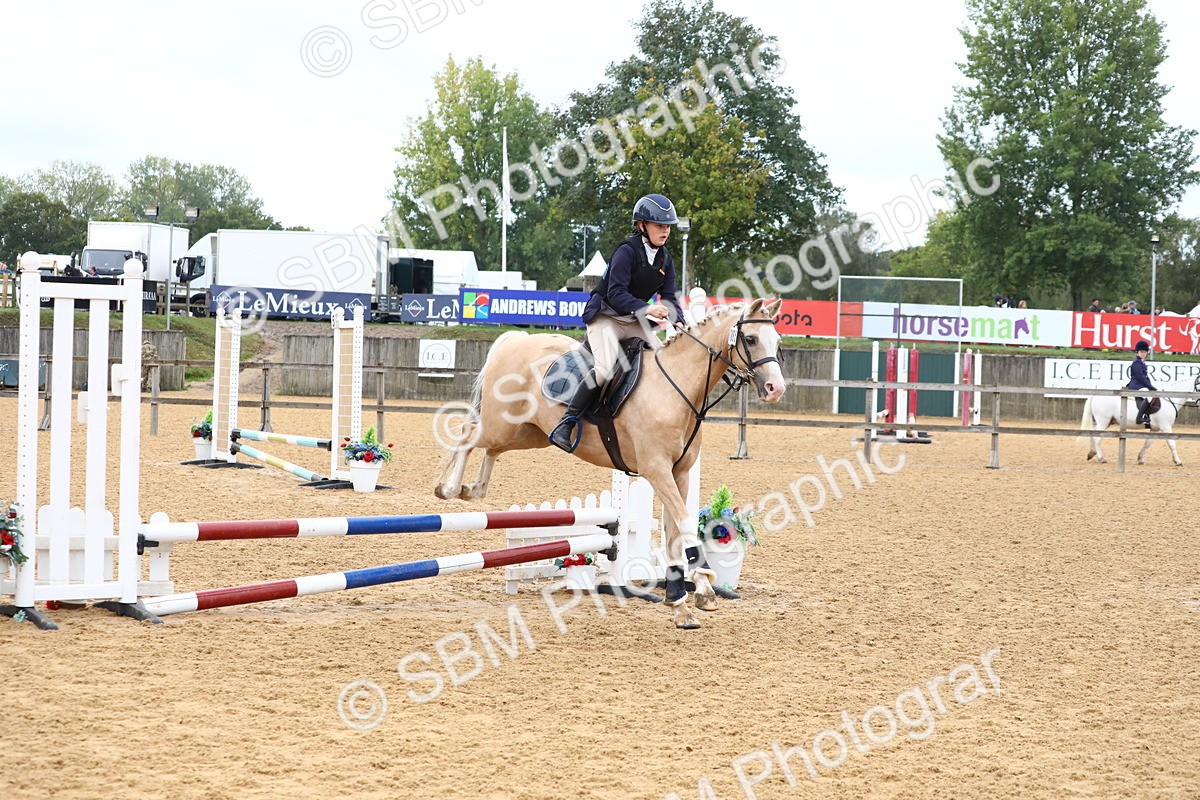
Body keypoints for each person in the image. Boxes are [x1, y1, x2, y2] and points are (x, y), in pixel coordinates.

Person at [548, 193, 686, 452]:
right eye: (659, 225)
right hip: (606, 317)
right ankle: (566, 423)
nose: (665, 231)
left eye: (668, 226)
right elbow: (615, 293)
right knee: (604, 368)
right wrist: (646, 309)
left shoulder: (666, 259)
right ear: (642, 226)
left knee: (661, 359)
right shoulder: (627, 251)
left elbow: (670, 298)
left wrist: (681, 323)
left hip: (633, 319)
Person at [1127, 339, 1156, 428]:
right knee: (1149, 396)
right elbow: (1141, 377)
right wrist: (1151, 387)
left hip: (1140, 385)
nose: (1143, 353)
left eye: (1145, 352)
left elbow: (1145, 377)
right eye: (1142, 352)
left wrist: (1151, 386)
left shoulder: (1141, 362)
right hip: (1136, 386)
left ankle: (1146, 415)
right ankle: (1139, 417)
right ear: (1137, 352)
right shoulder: (1137, 363)